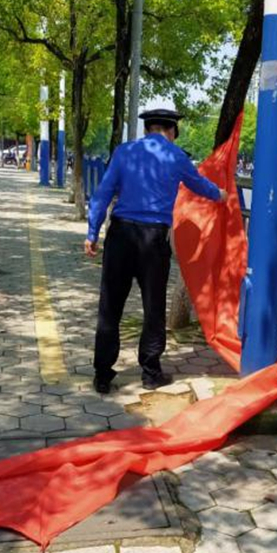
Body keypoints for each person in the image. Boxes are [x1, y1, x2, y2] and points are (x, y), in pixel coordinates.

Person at [85, 108, 227, 394]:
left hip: (120, 236)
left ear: (147, 128)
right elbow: (199, 185)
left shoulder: (124, 152)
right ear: (172, 130)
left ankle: (102, 375)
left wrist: (92, 233)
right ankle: (150, 373)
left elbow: (103, 193)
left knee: (110, 306)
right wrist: (221, 194)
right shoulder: (176, 156)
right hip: (153, 241)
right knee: (153, 308)